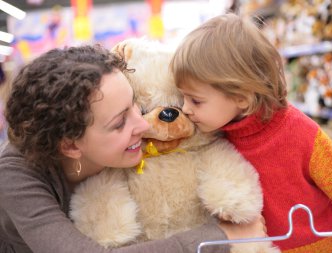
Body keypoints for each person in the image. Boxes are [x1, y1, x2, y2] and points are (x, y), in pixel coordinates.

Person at [0, 44, 267, 253]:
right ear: (70, 145)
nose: (142, 124)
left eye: (135, 105)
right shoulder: (15, 175)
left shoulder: (131, 137)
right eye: (119, 123)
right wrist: (220, 237)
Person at [170, 13, 332, 253]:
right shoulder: (212, 138)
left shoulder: (301, 133)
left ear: (241, 97)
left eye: (195, 101)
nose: (185, 109)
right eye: (183, 98)